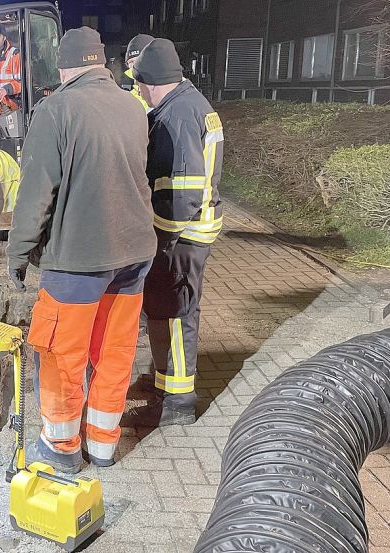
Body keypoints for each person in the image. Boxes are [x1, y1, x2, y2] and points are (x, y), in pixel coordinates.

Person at [7, 27, 156, 471]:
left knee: (60, 355)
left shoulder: (56, 110)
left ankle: (61, 448)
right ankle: (104, 445)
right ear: (102, 63)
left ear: (65, 66)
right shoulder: (134, 108)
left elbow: (36, 193)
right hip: (134, 254)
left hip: (79, 259)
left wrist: (18, 255)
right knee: (113, 351)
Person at [135, 38, 224, 426]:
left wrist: (161, 240)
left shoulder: (179, 115)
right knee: (165, 308)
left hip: (183, 235)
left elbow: (183, 191)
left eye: (138, 84)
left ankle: (179, 402)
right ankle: (163, 382)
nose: (137, 91)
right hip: (185, 231)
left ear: (152, 81)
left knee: (178, 314)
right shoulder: (185, 104)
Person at [123, 34, 154, 111]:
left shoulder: (176, 89)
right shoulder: (129, 99)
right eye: (131, 61)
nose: (135, 65)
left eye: (140, 59)